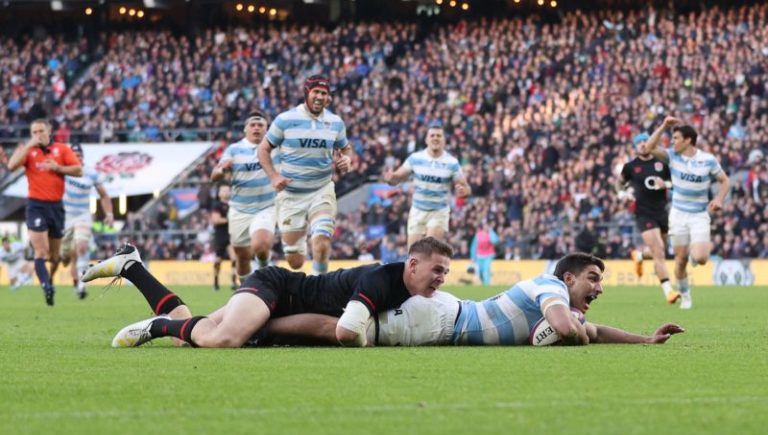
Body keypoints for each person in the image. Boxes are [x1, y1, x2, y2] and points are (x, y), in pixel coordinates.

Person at [83, 237, 453, 348]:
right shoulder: (380, 279)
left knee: (193, 339)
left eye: (446, 273)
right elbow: (344, 331)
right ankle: (158, 327)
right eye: (436, 269)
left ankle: (132, 267)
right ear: (412, 264)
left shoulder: (412, 293)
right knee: (226, 340)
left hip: (281, 303)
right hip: (276, 289)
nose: (441, 279)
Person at [267, 253, 684, 347]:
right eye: (593, 279)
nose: (600, 288)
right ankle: (262, 329)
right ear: (569, 277)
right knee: (350, 331)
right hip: (441, 320)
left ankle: (261, 326)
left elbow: (588, 328)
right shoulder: (550, 287)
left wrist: (644, 340)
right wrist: (575, 334)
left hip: (447, 317)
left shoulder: (557, 299)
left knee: (350, 328)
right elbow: (565, 328)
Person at [257, 75, 352, 275]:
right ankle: (299, 245)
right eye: (316, 92)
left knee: (322, 244)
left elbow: (346, 148)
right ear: (306, 93)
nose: (319, 96)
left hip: (321, 191)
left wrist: (347, 160)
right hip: (291, 196)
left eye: (324, 93)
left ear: (328, 98)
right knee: (295, 262)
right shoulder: (285, 120)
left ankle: (320, 292)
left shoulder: (335, 122)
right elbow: (263, 149)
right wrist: (274, 176)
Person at [646, 117, 730, 309]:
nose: (672, 141)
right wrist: (663, 126)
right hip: (678, 215)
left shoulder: (707, 160)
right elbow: (649, 147)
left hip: (699, 214)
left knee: (700, 258)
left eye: (675, 138)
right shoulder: (673, 156)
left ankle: (695, 253)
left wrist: (718, 199)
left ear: (688, 140)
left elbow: (724, 181)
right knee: (681, 260)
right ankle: (685, 295)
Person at [5, 119, 82, 306]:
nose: (38, 134)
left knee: (54, 256)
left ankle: (50, 279)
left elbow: (78, 170)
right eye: (34, 132)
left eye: (41, 130)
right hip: (35, 205)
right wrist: (29, 145)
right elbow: (11, 166)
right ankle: (46, 286)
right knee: (41, 251)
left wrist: (58, 168)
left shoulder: (62, 149)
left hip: (56, 207)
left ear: (49, 131)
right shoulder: (28, 151)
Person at [210, 111, 277, 284]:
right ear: (245, 129)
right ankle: (247, 288)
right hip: (240, 210)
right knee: (242, 257)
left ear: (266, 129)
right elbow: (214, 175)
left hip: (266, 206)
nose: (256, 128)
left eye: (260, 125)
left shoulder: (275, 148)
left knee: (261, 246)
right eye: (253, 125)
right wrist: (222, 170)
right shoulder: (233, 149)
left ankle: (264, 283)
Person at [383, 122, 471, 248]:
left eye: (439, 136)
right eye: (432, 135)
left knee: (429, 251)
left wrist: (464, 192)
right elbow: (397, 178)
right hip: (417, 211)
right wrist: (390, 179)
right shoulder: (415, 158)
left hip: (438, 211)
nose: (435, 138)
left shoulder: (451, 163)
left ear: (444, 140)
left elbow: (466, 187)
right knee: (413, 255)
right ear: (426, 139)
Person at [616, 132, 680, 303]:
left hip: (661, 212)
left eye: (646, 141)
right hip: (643, 214)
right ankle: (668, 292)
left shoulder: (662, 164)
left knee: (660, 251)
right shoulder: (630, 166)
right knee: (659, 251)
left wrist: (665, 184)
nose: (643, 144)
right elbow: (619, 183)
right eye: (640, 142)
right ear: (635, 146)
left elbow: (675, 184)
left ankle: (639, 256)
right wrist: (622, 193)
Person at [50, 144, 113, 299]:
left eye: (79, 155)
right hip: (64, 217)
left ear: (83, 157)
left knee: (82, 248)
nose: (76, 158)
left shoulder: (91, 173)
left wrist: (109, 214)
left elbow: (104, 195)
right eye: (74, 155)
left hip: (83, 216)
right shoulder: (62, 170)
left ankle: (81, 285)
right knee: (62, 257)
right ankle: (49, 280)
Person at [209, 184, 237, 291]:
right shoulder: (217, 205)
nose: (226, 192)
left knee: (234, 259)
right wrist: (229, 220)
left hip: (231, 235)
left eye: (227, 190)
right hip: (220, 236)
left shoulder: (233, 205)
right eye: (223, 191)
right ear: (219, 193)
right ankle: (216, 281)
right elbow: (215, 220)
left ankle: (233, 282)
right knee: (218, 260)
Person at [469, 221, 498, 286]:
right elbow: (474, 246)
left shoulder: (491, 234)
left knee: (486, 270)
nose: (486, 227)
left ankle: (486, 285)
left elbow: (494, 241)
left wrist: (491, 231)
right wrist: (472, 257)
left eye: (487, 225)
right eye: (485, 225)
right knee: (480, 271)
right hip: (479, 256)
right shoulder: (478, 234)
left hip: (488, 255)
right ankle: (483, 283)